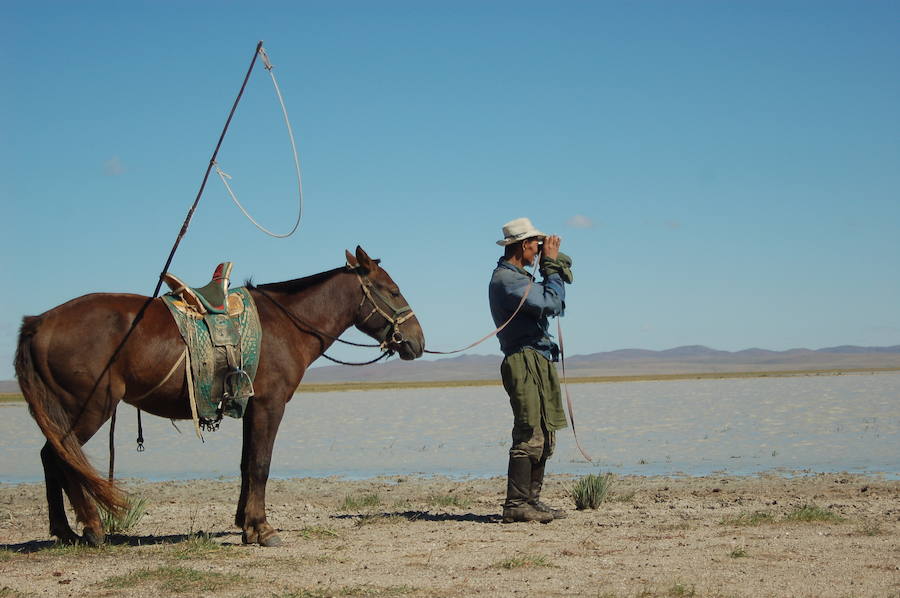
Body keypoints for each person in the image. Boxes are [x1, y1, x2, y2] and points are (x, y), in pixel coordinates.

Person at [488, 217, 573, 523]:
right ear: (524, 245)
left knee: (546, 433)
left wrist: (551, 267)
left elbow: (552, 301)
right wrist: (551, 266)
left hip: (538, 357)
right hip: (523, 360)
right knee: (529, 432)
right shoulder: (506, 280)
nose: (538, 251)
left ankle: (531, 502)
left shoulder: (520, 278)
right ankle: (516, 504)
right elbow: (551, 303)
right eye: (536, 245)